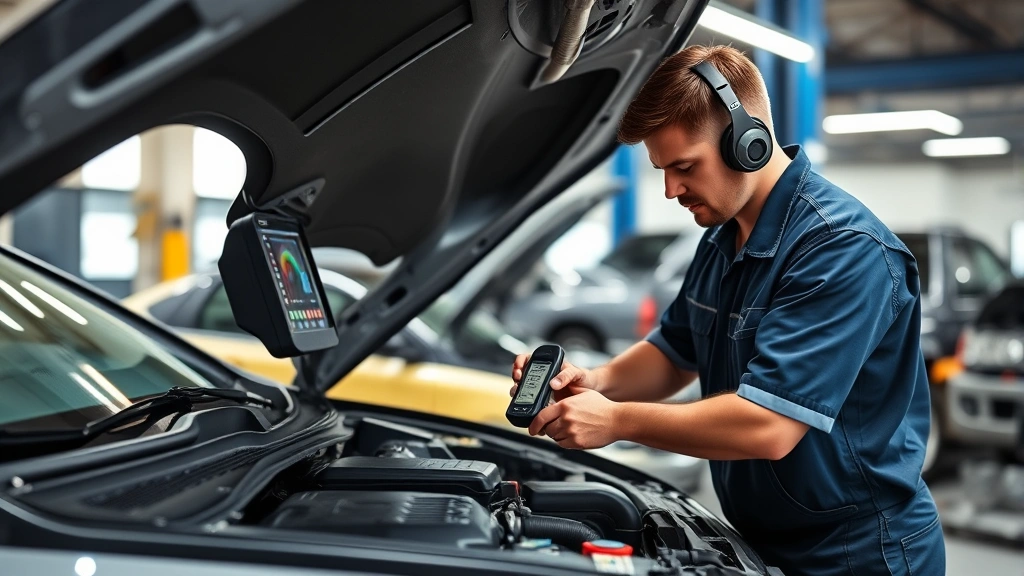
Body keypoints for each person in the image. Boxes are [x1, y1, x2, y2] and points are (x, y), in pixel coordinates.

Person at [510, 45, 945, 575]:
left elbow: (768, 426)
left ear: (748, 144)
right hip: (764, 541)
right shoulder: (723, 237)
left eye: (684, 166)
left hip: (860, 555)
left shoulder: (842, 250)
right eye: (662, 170)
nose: (671, 190)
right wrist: (595, 382)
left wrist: (618, 421)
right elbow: (674, 354)